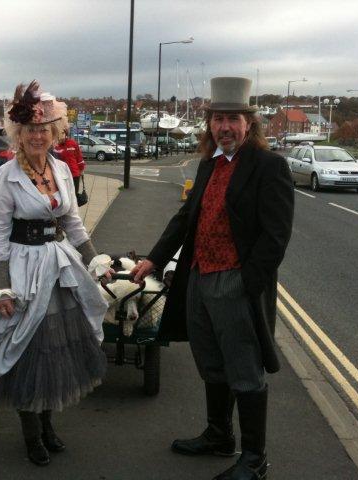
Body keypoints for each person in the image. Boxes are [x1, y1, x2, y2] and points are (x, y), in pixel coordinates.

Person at [131, 77, 294, 480]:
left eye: (232, 119)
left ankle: (255, 459)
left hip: (235, 284)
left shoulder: (268, 167)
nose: (225, 127)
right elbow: (186, 219)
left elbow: (276, 237)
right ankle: (220, 436)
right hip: (199, 279)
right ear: (210, 125)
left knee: (244, 369)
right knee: (211, 362)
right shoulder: (209, 164)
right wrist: (154, 260)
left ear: (249, 124)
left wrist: (246, 284)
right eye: (218, 119)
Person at [0, 80, 112, 467]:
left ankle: (47, 426)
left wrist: (95, 261)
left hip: (57, 266)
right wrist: (1, 287)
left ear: (54, 133)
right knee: (28, 353)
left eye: (44, 129)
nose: (37, 135)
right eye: (29, 129)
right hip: (20, 265)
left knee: (56, 351)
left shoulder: (61, 168)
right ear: (18, 133)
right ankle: (32, 436)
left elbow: (73, 221)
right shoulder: (6, 175)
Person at [54, 125, 85, 191]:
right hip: (62, 176)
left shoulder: (73, 143)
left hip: (74, 174)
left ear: (66, 134)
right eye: (59, 134)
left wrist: (81, 169)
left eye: (62, 133)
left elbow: (79, 158)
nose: (61, 136)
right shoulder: (54, 146)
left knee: (74, 194)